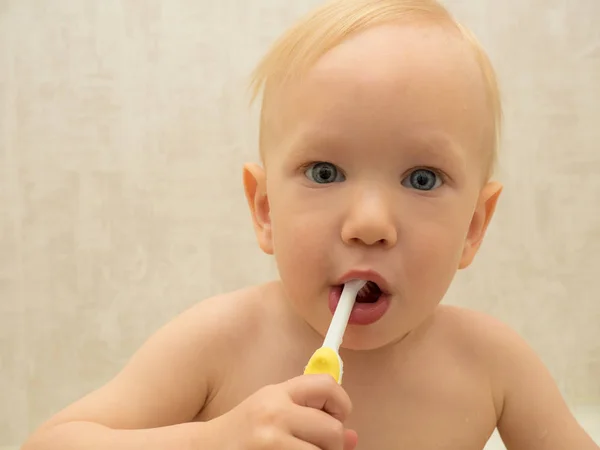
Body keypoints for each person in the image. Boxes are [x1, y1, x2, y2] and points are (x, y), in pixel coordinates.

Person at [22, 0, 599, 449]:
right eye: (325, 172)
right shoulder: (222, 343)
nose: (369, 224)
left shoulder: (491, 367)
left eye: (422, 178)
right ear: (266, 209)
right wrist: (212, 439)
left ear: (474, 227)